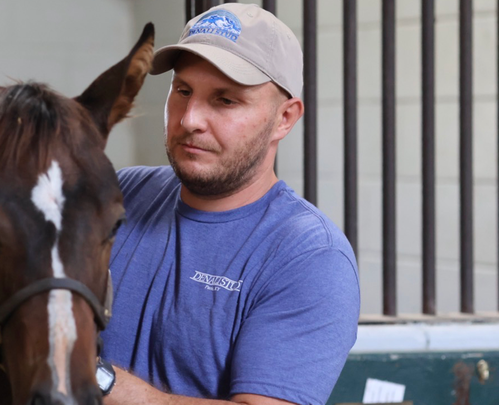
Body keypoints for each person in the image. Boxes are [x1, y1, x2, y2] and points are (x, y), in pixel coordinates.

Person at [97, 3, 360, 405]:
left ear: (285, 118)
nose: (190, 120)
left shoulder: (309, 256)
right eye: (183, 91)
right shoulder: (121, 194)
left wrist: (96, 379)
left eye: (225, 100)